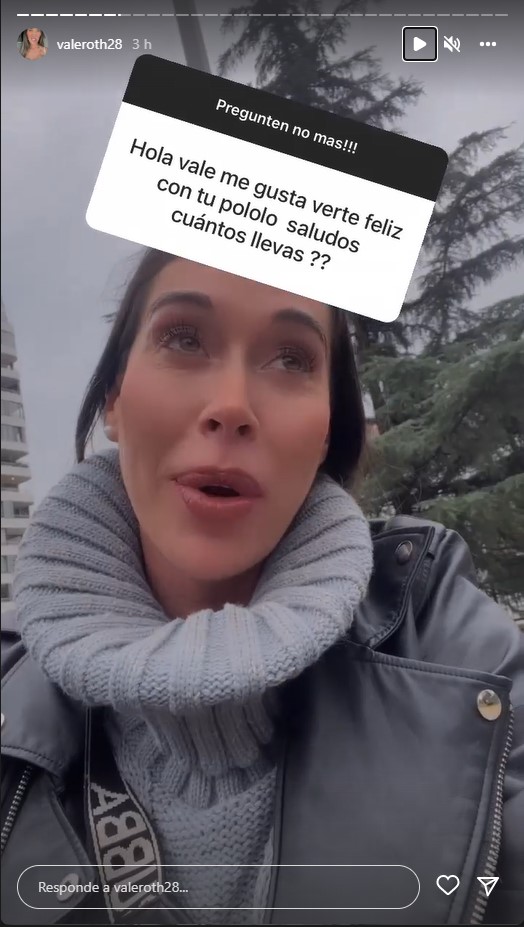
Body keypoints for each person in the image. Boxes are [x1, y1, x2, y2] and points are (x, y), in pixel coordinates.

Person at [1, 249, 523, 926]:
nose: (231, 407)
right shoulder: (10, 701)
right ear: (115, 401)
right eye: (183, 338)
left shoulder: (464, 661)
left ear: (327, 430)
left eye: (292, 359)